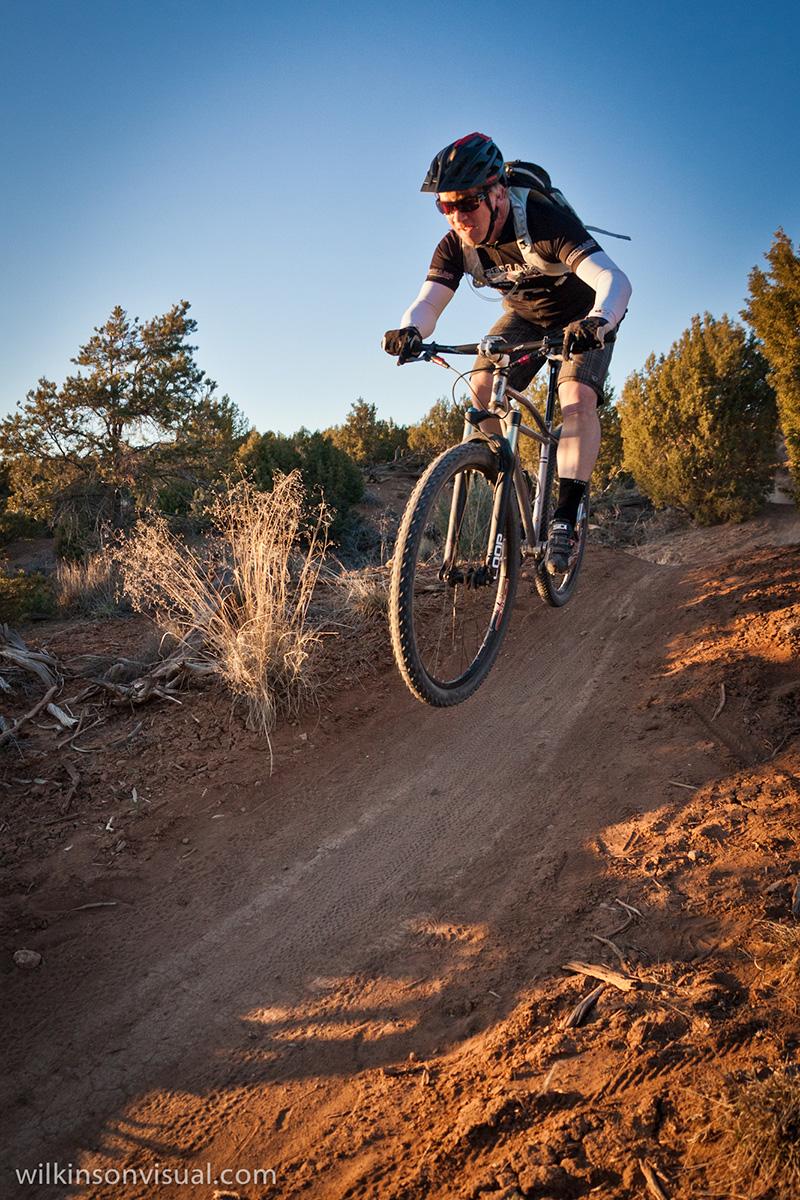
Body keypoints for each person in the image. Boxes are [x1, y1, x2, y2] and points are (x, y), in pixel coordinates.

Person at [382, 132, 632, 574]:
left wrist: (599, 321)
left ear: (497, 192)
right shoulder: (455, 244)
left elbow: (614, 280)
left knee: (576, 399)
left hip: (583, 317)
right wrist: (409, 330)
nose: (457, 216)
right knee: (481, 391)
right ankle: (509, 488)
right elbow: (429, 302)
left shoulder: (542, 220)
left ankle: (565, 517)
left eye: (467, 203)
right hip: (524, 317)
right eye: (445, 206)